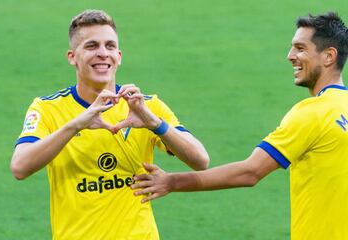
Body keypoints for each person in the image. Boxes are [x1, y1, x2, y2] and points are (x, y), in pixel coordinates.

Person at [131, 12, 348, 240]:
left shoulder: (313, 112)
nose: (290, 56)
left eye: (300, 48)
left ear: (328, 56)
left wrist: (172, 182)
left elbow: (250, 172)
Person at [10, 9, 209, 240]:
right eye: (92, 46)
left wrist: (153, 123)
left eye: (110, 46)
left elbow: (200, 160)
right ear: (72, 57)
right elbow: (20, 167)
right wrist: (76, 125)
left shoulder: (145, 106)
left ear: (120, 56)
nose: (103, 53)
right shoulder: (47, 109)